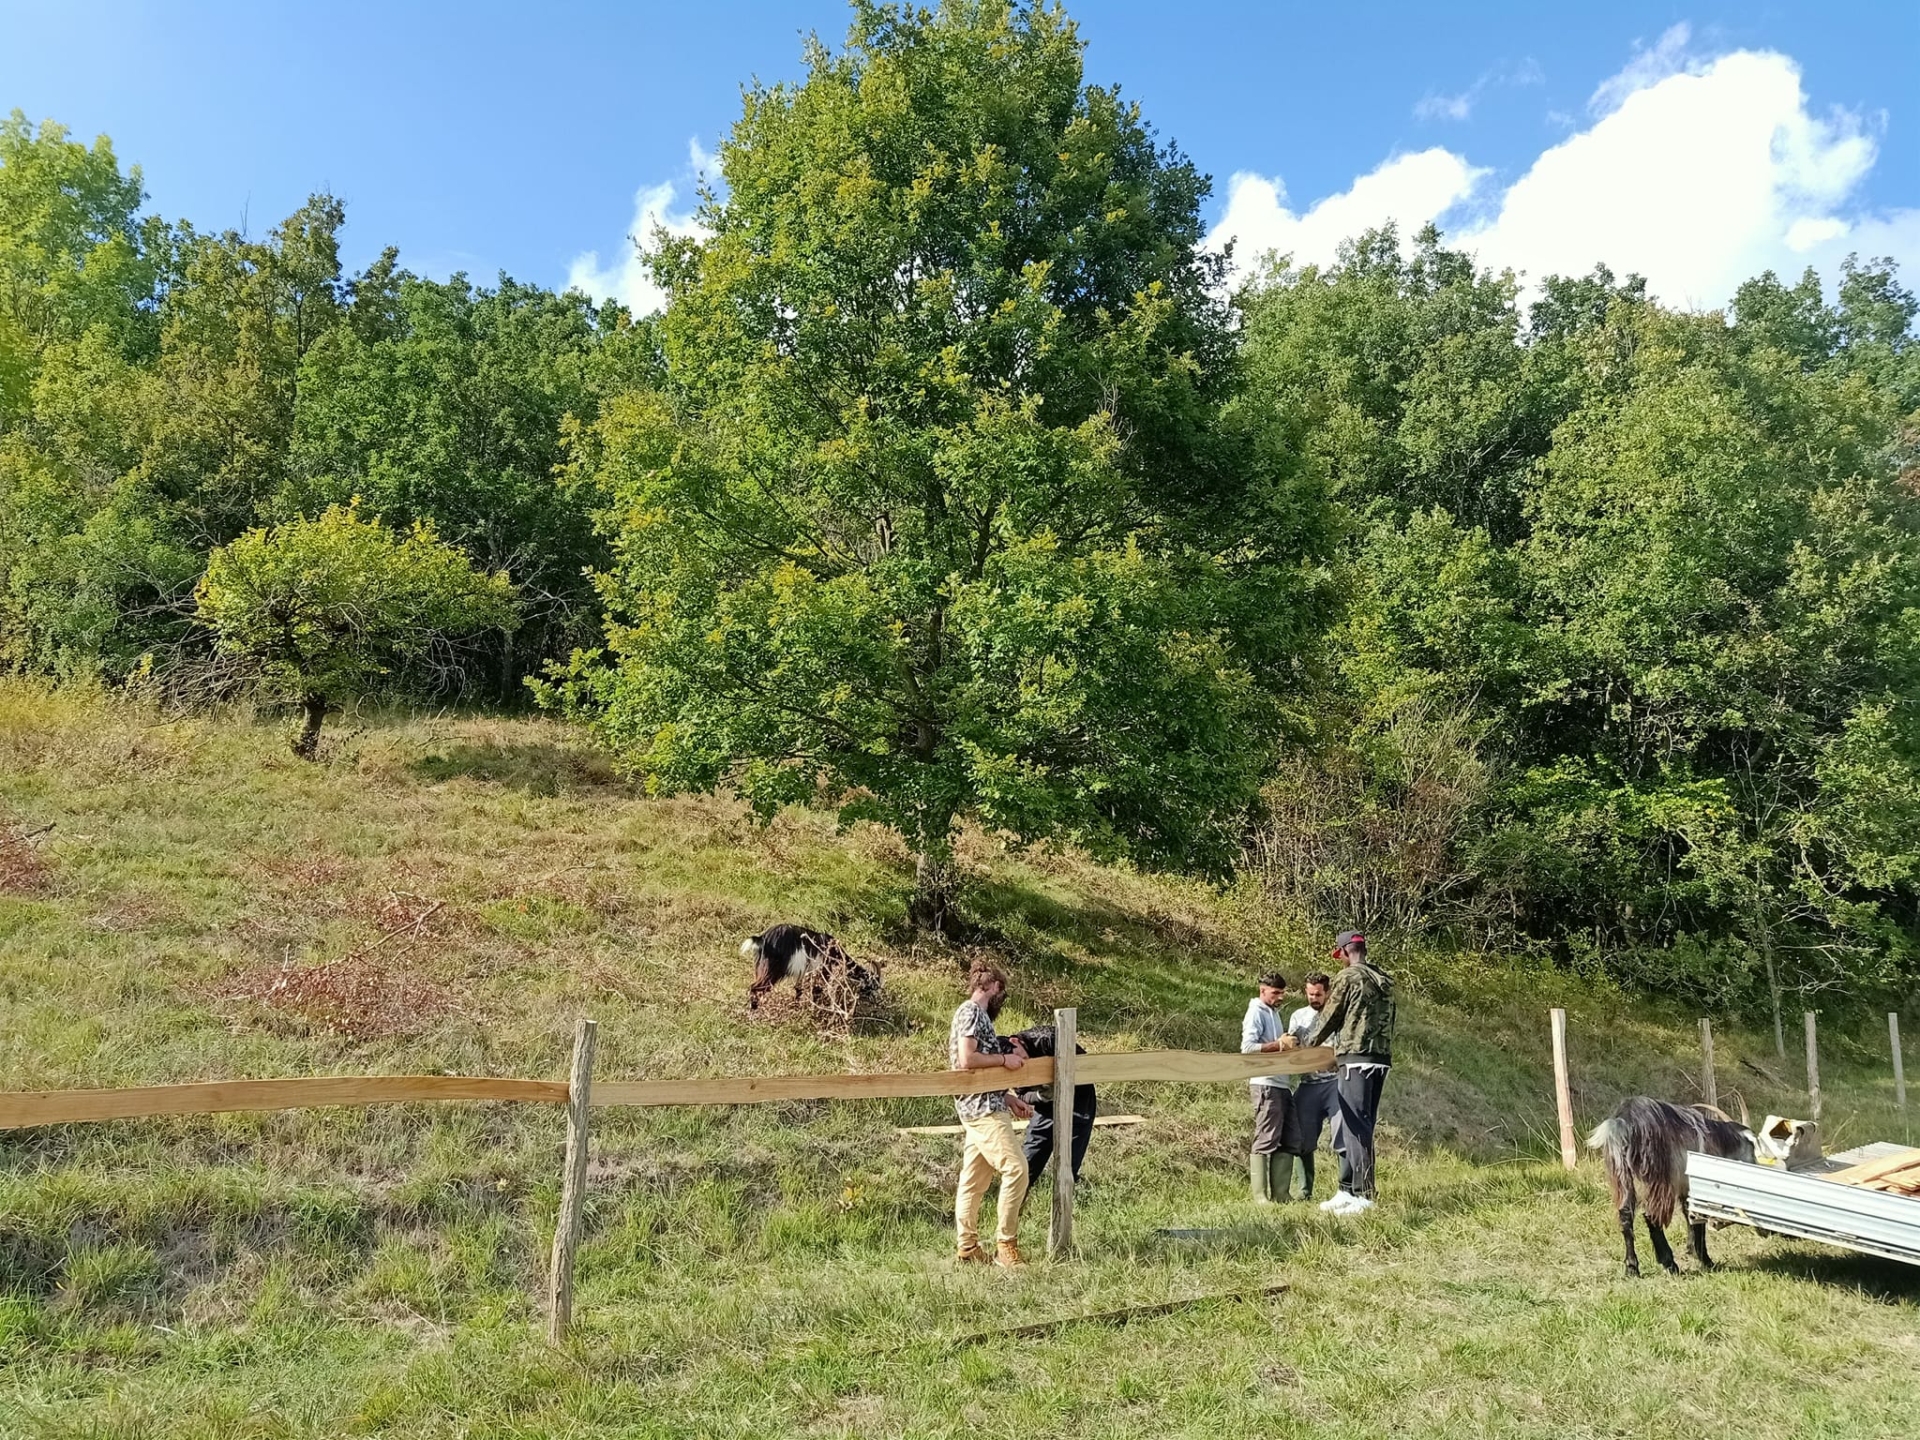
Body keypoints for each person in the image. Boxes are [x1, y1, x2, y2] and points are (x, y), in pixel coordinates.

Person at [1296, 931, 1395, 1215]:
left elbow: (1330, 1016)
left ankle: (1363, 1194)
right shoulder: (1384, 980)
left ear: (1342, 952)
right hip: (1380, 1058)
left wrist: (1307, 1046)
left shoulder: (1348, 978)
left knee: (1355, 1126)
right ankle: (1346, 1190)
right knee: (1364, 1123)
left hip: (1354, 1057)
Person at [949, 962, 1034, 1266]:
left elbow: (977, 1070)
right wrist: (1005, 1058)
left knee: (973, 1182)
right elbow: (967, 1059)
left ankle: (968, 1248)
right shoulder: (972, 1012)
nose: (1002, 997)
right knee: (1016, 1169)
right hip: (983, 1111)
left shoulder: (974, 1015)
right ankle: (1006, 1244)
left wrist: (1009, 1099)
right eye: (1002, 990)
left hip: (983, 1104)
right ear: (994, 986)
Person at [1008, 1024, 1097, 1185]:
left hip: (1079, 1101)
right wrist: (1040, 1096)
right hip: (1046, 1108)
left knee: (1069, 1166)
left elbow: (1086, 1066)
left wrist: (1063, 1082)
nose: (1019, 1063)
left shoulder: (1047, 1038)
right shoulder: (1008, 1062)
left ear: (1015, 1041)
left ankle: (1066, 1204)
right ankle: (1014, 1206)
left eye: (1019, 1056)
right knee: (1027, 1167)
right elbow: (1021, 1094)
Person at [1239, 971, 1295, 1203]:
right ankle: (1260, 1196)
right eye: (1275, 993)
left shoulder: (1273, 1012)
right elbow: (1248, 1047)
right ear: (1263, 990)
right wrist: (1279, 1045)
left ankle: (1281, 1194)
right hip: (1264, 1083)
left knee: (1291, 1138)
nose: (1280, 997)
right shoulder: (1255, 1011)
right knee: (1266, 1137)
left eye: (1282, 993)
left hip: (1282, 1083)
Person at [1282, 971, 1337, 1200]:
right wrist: (1285, 1040)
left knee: (1345, 1134)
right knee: (1300, 1136)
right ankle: (1305, 1191)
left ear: (1327, 992)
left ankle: (1349, 1189)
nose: (1314, 998)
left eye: (1318, 994)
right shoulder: (1298, 1016)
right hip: (1309, 1083)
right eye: (1310, 994)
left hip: (1335, 1083)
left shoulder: (1337, 1015)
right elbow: (1291, 1044)